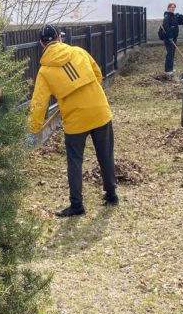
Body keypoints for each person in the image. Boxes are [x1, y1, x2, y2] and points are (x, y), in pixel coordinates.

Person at [28, 24, 118, 217]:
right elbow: (98, 75)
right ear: (59, 38)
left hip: (75, 120)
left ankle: (77, 205)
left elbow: (39, 103)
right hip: (99, 110)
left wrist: (34, 128)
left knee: (75, 162)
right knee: (105, 154)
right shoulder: (79, 51)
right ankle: (111, 194)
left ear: (42, 44)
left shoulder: (44, 71)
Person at [160, 2, 181, 77]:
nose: (172, 8)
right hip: (168, 38)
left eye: (173, 7)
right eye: (171, 7)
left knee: (172, 52)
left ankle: (170, 68)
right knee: (170, 53)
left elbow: (182, 22)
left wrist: (181, 16)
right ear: (168, 8)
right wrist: (170, 36)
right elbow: (166, 27)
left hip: (174, 37)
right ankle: (168, 70)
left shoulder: (174, 16)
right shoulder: (167, 16)